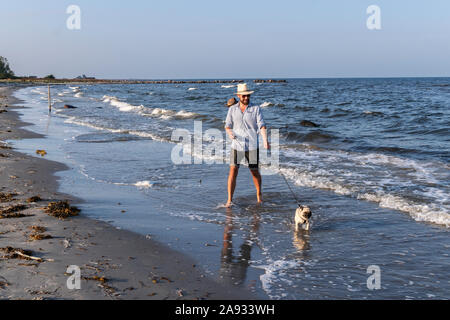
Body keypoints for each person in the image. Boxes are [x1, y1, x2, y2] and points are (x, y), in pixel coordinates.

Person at [224, 83, 270, 207]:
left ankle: (259, 196)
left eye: (248, 96)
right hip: (236, 145)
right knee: (233, 170)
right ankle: (229, 200)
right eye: (243, 96)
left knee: (254, 172)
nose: (246, 98)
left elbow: (262, 125)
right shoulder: (232, 109)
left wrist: (265, 140)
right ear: (238, 96)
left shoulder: (256, 109)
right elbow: (227, 126)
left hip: (252, 146)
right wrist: (230, 133)